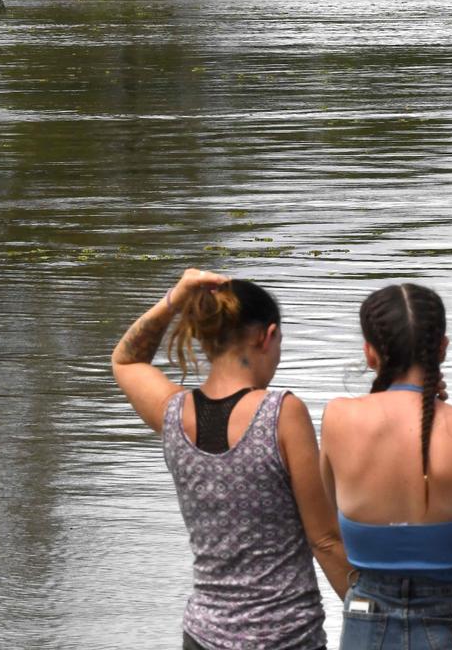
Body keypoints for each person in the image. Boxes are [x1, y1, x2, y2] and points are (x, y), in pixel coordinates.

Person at [111, 269, 349, 650]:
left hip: (203, 636)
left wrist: (175, 297)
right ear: (266, 336)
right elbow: (323, 540)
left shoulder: (173, 414)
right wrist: (371, 613)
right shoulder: (281, 413)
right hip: (285, 637)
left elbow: (126, 360)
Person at [319, 283, 452, 650]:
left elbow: (329, 529)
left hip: (367, 619)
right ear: (442, 348)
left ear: (370, 354)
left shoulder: (337, 420)